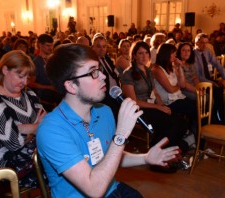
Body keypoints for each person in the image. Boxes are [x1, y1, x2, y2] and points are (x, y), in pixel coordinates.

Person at [36, 43, 180, 197]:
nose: (103, 76)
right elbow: (93, 189)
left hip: (111, 189)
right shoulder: (51, 129)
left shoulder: (103, 112)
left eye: (100, 70)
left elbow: (112, 155)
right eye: (93, 73)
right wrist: (121, 134)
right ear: (71, 86)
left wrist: (145, 158)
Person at [0, 50, 47, 187]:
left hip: (35, 155)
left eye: (27, 77)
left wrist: (20, 128)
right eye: (21, 76)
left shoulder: (29, 94)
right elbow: (14, 142)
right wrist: (35, 127)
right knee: (65, 165)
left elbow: (48, 124)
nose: (25, 82)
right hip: (12, 169)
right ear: (5, 70)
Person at [121, 41, 190, 158]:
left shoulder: (148, 71)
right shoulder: (128, 73)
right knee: (172, 122)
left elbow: (155, 92)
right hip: (138, 109)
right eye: (140, 53)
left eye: (146, 53)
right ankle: (160, 150)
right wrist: (158, 107)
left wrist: (163, 106)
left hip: (151, 106)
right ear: (134, 56)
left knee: (181, 120)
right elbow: (133, 101)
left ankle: (167, 149)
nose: (144, 56)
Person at [29, 33, 62, 111]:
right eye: (47, 45)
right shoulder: (36, 62)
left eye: (51, 45)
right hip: (44, 101)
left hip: (56, 99)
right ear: (40, 45)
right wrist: (49, 87)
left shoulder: (52, 60)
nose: (50, 48)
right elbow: (31, 83)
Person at [91, 34, 120, 119]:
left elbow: (114, 74)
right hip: (105, 96)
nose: (102, 49)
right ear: (93, 47)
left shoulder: (107, 59)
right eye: (99, 46)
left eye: (104, 46)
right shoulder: (93, 62)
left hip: (115, 93)